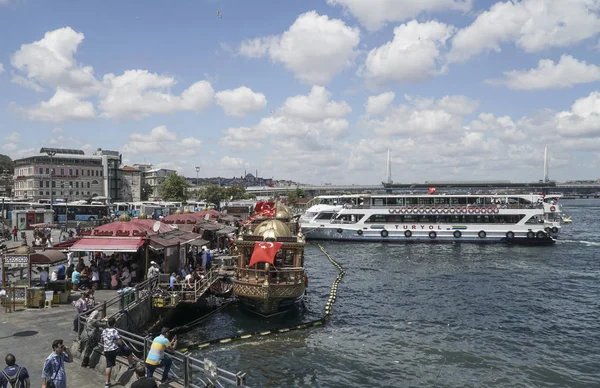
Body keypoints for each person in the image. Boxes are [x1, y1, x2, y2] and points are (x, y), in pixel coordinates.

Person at [101, 317, 135, 387]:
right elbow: (120, 342)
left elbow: (101, 340)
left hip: (107, 350)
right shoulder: (114, 331)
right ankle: (131, 365)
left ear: (108, 323)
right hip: (114, 349)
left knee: (109, 365)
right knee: (129, 350)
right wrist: (120, 344)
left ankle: (107, 383)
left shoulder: (104, 330)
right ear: (114, 323)